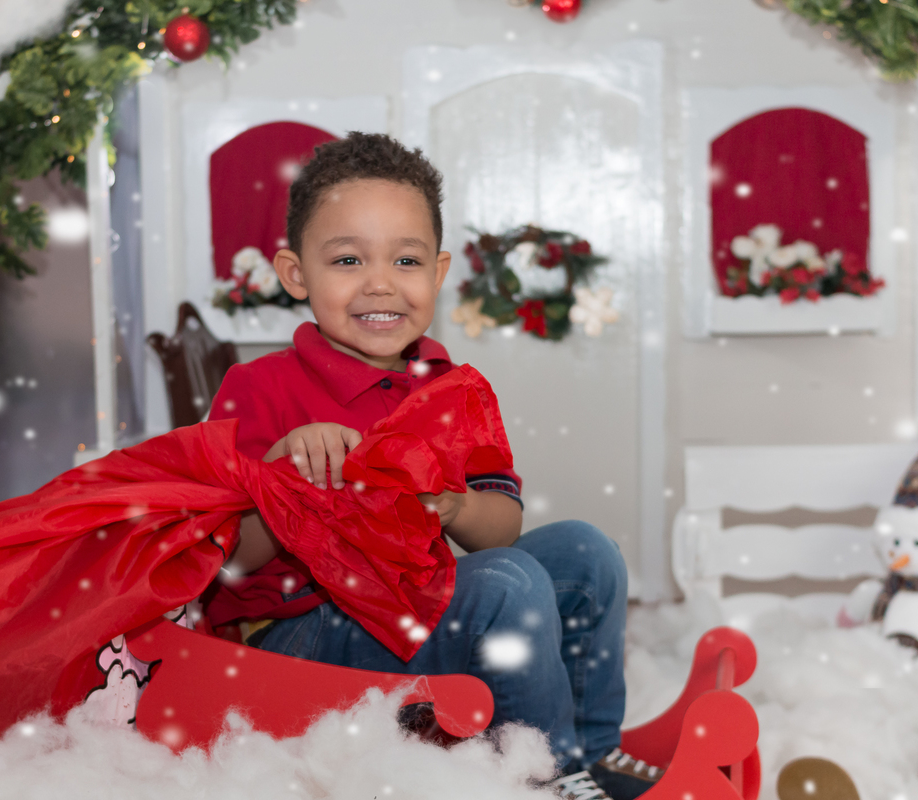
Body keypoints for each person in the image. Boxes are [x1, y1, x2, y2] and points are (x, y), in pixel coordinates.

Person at [203, 132, 656, 800]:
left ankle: (590, 753)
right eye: (349, 259)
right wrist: (282, 473)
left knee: (584, 552)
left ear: (438, 273)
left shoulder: (451, 390)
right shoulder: (258, 387)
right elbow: (225, 560)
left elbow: (497, 530)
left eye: (406, 259)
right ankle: (543, 776)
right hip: (290, 639)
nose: (380, 282)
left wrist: (456, 506)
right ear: (296, 274)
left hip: (407, 609)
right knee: (503, 583)